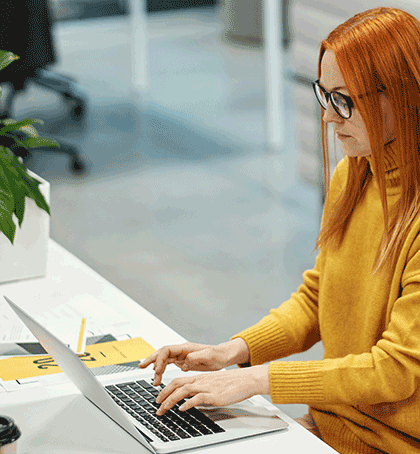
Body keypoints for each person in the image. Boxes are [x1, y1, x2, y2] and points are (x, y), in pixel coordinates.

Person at [140, 7, 420, 453]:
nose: (329, 118)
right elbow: (318, 296)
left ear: (401, 95)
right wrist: (234, 351)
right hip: (330, 424)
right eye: (324, 96)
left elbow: (395, 371)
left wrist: (256, 380)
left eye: (344, 100)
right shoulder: (354, 175)